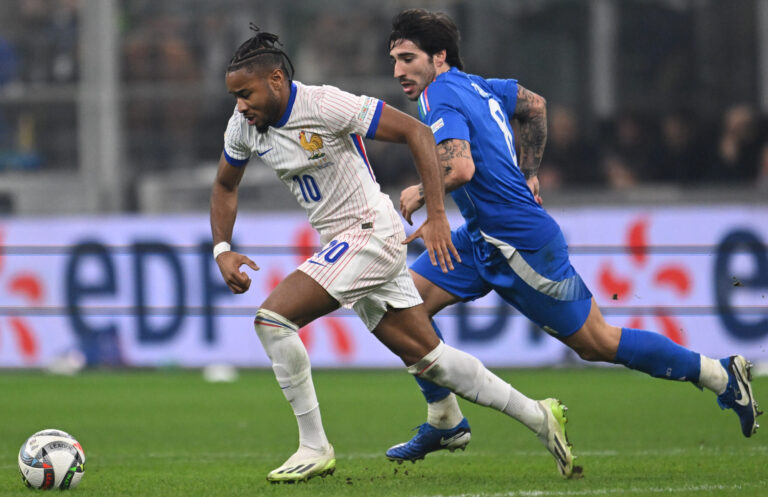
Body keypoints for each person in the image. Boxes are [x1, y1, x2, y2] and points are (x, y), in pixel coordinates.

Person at [385, 7, 762, 466]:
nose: (399, 70)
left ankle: (720, 376)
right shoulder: (478, 84)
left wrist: (422, 189)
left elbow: (460, 167)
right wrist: (529, 173)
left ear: (438, 57)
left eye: (408, 58)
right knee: (401, 306)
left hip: (518, 243)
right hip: (481, 236)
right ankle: (445, 421)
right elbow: (534, 105)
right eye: (395, 60)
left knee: (596, 342)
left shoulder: (439, 95)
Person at [211, 27, 580, 483]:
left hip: (370, 232)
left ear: (275, 81)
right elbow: (225, 184)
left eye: (245, 94)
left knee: (272, 320)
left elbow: (417, 133)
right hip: (343, 242)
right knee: (433, 360)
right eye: (235, 97)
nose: (240, 105)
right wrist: (222, 248)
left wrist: (438, 215)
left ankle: (314, 445)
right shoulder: (244, 126)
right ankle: (538, 416)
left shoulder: (324, 105)